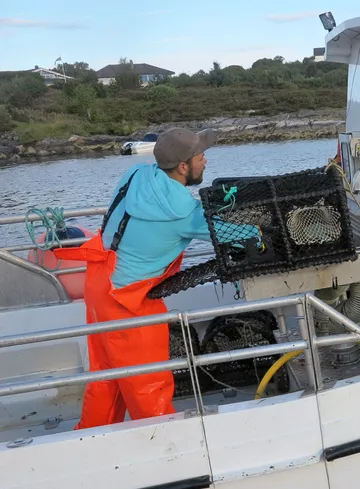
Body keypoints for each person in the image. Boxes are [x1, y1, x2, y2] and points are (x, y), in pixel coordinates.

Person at [54, 127, 253, 429]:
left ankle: (93, 437)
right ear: (184, 166)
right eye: (201, 158)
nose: (206, 163)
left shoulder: (135, 175)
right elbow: (238, 235)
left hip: (97, 280)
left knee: (106, 376)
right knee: (147, 383)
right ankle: (161, 442)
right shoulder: (185, 213)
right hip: (126, 300)